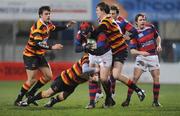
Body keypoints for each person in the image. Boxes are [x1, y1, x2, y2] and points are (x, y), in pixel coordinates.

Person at [14, 6, 75, 106]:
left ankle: (31, 94)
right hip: (30, 55)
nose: (48, 15)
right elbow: (38, 43)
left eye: (49, 13)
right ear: (40, 15)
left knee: (48, 76)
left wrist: (68, 25)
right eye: (46, 14)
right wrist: (53, 47)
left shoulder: (48, 24)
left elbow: (55, 28)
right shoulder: (38, 27)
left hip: (39, 55)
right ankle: (18, 99)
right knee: (32, 79)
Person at [90, 2, 145, 107]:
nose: (96, 12)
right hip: (111, 51)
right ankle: (107, 97)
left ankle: (137, 91)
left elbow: (99, 31)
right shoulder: (103, 20)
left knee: (114, 75)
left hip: (120, 49)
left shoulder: (108, 20)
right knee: (104, 77)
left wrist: (88, 34)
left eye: (97, 10)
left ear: (102, 11)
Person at [19, 54, 99, 108]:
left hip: (73, 84)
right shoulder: (87, 58)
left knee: (63, 97)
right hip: (64, 79)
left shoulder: (96, 62)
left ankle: (52, 102)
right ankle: (28, 101)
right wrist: (94, 75)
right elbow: (83, 72)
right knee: (48, 93)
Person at [121, 13, 162, 107]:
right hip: (142, 58)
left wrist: (159, 45)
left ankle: (155, 102)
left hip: (153, 56)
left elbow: (157, 37)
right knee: (135, 78)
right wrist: (142, 53)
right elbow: (132, 51)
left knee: (156, 78)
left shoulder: (151, 27)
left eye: (144, 19)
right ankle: (127, 100)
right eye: (140, 20)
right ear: (136, 22)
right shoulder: (134, 34)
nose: (143, 21)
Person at [75, 22, 114, 109]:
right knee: (92, 77)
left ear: (91, 30)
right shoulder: (80, 34)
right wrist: (85, 48)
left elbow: (100, 51)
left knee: (104, 79)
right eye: (83, 34)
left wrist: (88, 49)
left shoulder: (100, 33)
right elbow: (76, 49)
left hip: (105, 55)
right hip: (93, 54)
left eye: (87, 34)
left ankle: (109, 97)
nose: (85, 36)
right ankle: (91, 102)